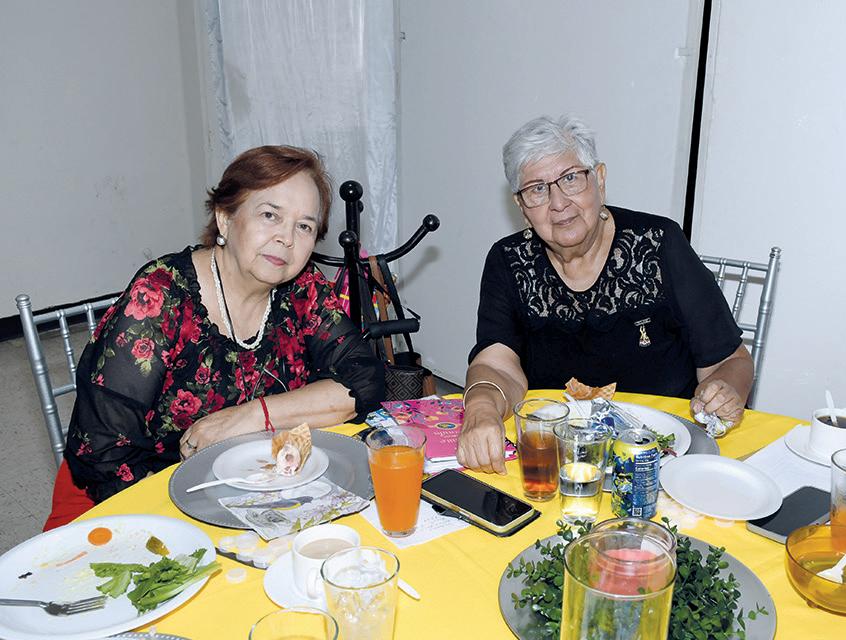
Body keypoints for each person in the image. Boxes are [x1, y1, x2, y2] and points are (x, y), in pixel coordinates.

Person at [47, 145, 385, 529]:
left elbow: (364, 380)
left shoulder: (302, 287)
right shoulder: (160, 298)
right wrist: (201, 519)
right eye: (270, 215)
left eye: (304, 226)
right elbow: (104, 453)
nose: (286, 238)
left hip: (247, 486)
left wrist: (251, 416)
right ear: (225, 218)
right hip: (129, 496)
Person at [457, 115, 754, 474]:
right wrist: (481, 408)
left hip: (661, 458)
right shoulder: (508, 260)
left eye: (571, 178)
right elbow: (495, 365)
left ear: (599, 179)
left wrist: (725, 390)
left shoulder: (658, 243)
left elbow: (730, 360)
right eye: (537, 189)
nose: (558, 202)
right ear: (521, 207)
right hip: (557, 460)